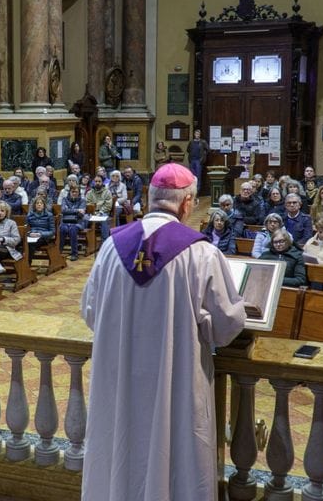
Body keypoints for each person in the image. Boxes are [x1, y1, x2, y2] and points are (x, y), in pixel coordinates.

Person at [80, 162, 246, 501]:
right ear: (187, 203)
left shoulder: (111, 248)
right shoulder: (200, 252)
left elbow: (90, 311)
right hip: (176, 380)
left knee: (120, 452)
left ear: (150, 196)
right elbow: (228, 324)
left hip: (120, 376)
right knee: (175, 456)